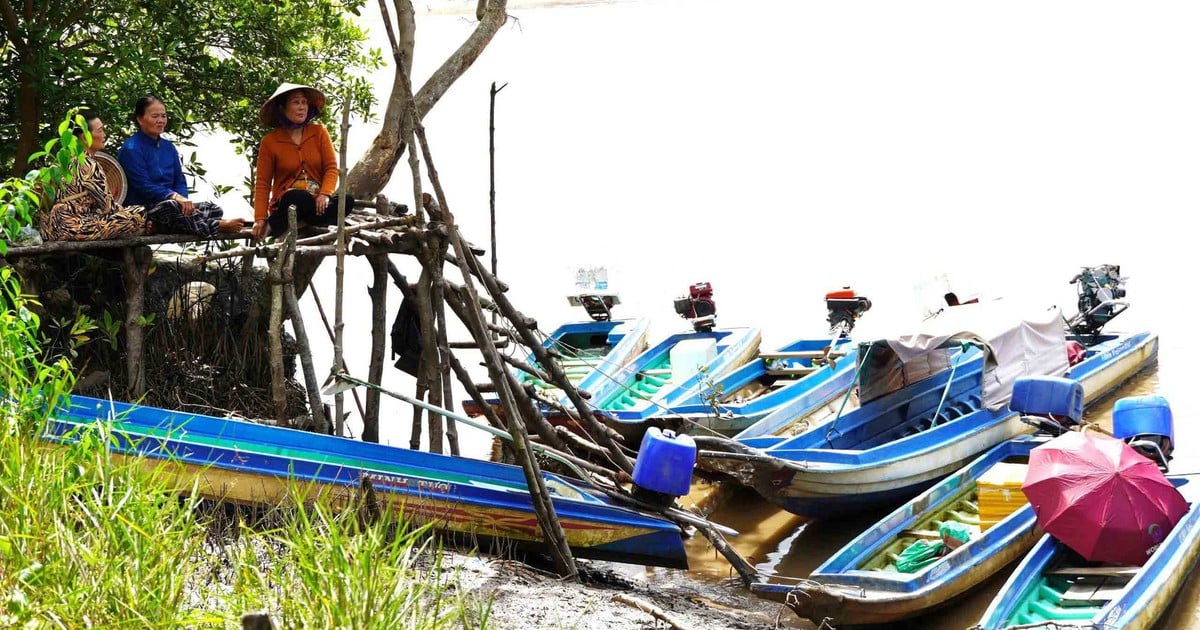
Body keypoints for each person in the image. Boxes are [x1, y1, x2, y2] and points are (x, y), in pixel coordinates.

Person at [117, 95, 243, 236]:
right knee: (170, 206)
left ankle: (161, 227)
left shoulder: (168, 147)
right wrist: (175, 197)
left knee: (213, 209)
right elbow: (143, 185)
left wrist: (184, 203)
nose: (161, 120)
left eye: (163, 116)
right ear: (140, 119)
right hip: (143, 208)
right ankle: (216, 226)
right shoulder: (131, 148)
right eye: (155, 116)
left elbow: (179, 179)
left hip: (172, 206)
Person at [251, 83, 354, 241]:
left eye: (304, 102)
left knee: (346, 200)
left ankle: (309, 220)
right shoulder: (270, 142)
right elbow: (263, 183)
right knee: (298, 197)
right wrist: (259, 218)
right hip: (290, 202)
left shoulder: (319, 132)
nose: (302, 107)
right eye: (296, 102)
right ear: (282, 108)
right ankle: (280, 222)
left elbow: (331, 168)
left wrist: (324, 194)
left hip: (316, 204)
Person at [39, 109, 147, 241]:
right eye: (100, 130)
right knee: (139, 213)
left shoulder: (61, 160)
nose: (104, 135)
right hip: (72, 229)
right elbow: (109, 207)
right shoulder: (88, 164)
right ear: (84, 137)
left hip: (50, 228)